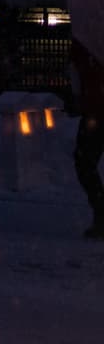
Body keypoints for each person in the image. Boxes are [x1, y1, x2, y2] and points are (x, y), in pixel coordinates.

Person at [71, 35, 104, 240]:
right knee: (85, 162)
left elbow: (76, 75)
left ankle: (101, 211)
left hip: (95, 111)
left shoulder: (84, 39)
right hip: (95, 109)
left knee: (85, 163)